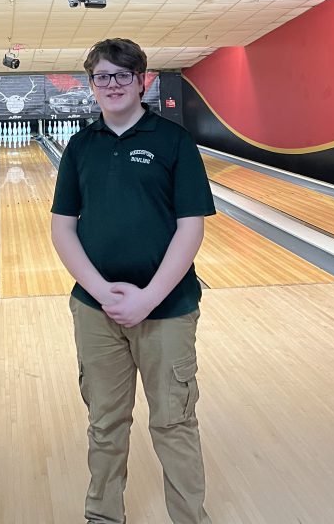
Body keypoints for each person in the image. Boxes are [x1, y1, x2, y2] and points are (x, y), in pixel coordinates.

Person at [51, 38, 215, 524]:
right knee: (104, 425)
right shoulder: (80, 147)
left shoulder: (173, 142)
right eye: (102, 76)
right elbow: (63, 228)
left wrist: (147, 299)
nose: (113, 84)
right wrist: (102, 293)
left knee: (174, 423)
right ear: (91, 85)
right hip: (95, 312)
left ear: (142, 81)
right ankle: (103, 517)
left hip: (167, 310)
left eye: (123, 75)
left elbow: (191, 228)